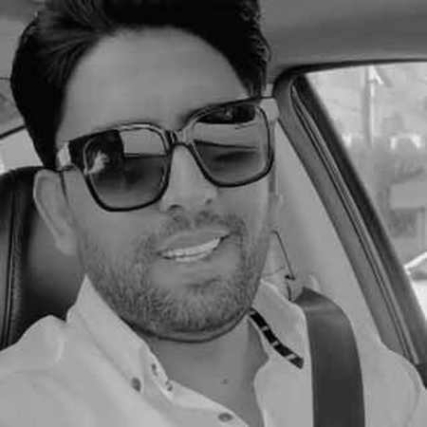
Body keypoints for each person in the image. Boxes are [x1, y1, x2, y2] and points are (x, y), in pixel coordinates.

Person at [0, 0, 426, 425]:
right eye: (122, 162)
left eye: (225, 137)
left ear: (270, 181)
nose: (191, 193)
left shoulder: (374, 378)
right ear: (61, 213)